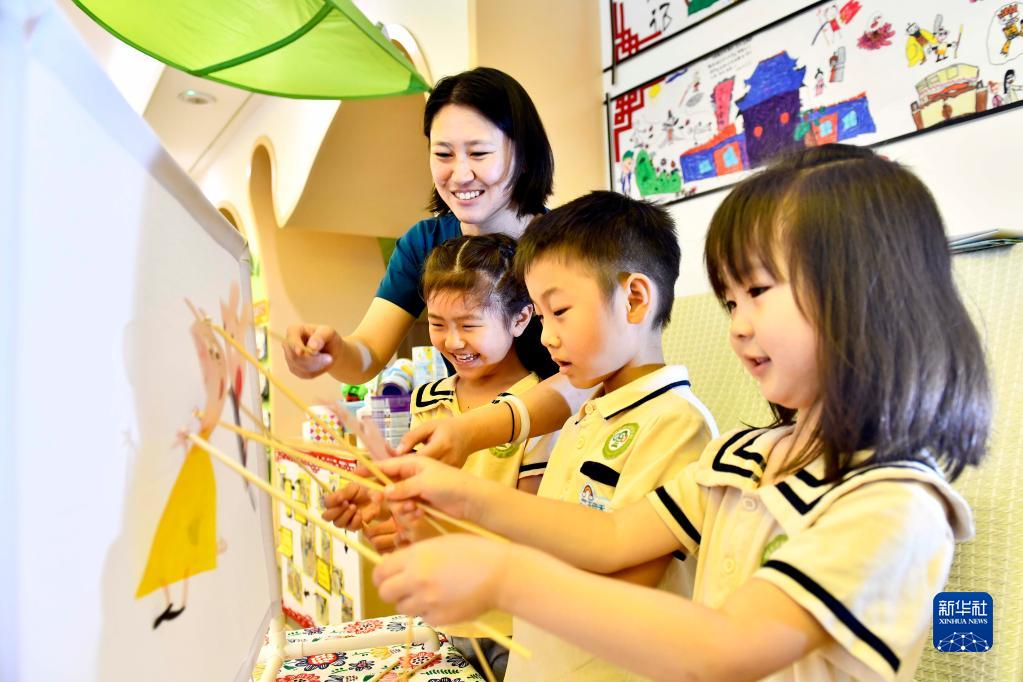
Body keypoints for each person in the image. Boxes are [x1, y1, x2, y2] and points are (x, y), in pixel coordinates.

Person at [361, 146, 991, 680]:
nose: (737, 325)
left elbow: (729, 645)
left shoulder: (893, 505)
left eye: (757, 292)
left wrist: (504, 578)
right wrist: (449, 492)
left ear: (864, 290)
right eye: (730, 300)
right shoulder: (744, 457)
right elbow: (610, 536)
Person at [329, 191, 718, 680]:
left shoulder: (675, 424)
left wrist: (469, 554)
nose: (547, 336)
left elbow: (623, 594)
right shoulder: (586, 415)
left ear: (635, 299)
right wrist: (420, 516)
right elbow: (550, 538)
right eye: (541, 314)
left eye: (560, 311)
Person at [324, 233, 559, 678]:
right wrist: (380, 507)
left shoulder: (540, 409)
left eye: (469, 325)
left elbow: (533, 529)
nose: (452, 342)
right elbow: (412, 499)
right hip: (440, 619)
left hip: (510, 625)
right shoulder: (427, 399)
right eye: (437, 323)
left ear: (521, 318)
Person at [283, 66, 557, 385]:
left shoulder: (568, 246)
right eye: (443, 154)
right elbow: (368, 353)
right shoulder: (424, 244)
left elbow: (590, 375)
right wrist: (331, 351)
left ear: (524, 156)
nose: (460, 174)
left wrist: (508, 413)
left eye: (479, 153)